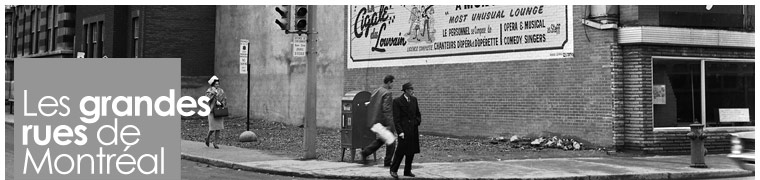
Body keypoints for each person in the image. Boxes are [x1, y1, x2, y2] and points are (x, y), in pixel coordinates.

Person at [360, 75, 396, 166]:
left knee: (381, 140)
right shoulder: (387, 93)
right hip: (383, 122)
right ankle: (387, 162)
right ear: (389, 82)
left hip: (375, 121)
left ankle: (366, 152)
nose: (393, 85)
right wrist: (390, 125)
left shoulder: (376, 91)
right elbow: (386, 110)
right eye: (393, 82)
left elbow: (371, 104)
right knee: (391, 140)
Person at [389, 82, 421, 178]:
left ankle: (407, 171)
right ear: (406, 90)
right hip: (403, 131)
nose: (412, 91)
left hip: (413, 130)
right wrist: (400, 131)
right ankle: (393, 170)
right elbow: (396, 119)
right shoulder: (397, 101)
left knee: (411, 151)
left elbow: (418, 114)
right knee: (400, 151)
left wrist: (416, 122)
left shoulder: (414, 100)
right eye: (411, 89)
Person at [205, 75, 227, 149]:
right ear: (213, 84)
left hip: (219, 110)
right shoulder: (209, 90)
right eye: (216, 84)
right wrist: (214, 94)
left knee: (219, 127)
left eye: (218, 84)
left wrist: (221, 103)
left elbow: (224, 98)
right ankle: (207, 138)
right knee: (212, 128)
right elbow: (207, 99)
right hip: (212, 111)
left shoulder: (221, 91)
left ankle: (215, 142)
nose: (217, 85)